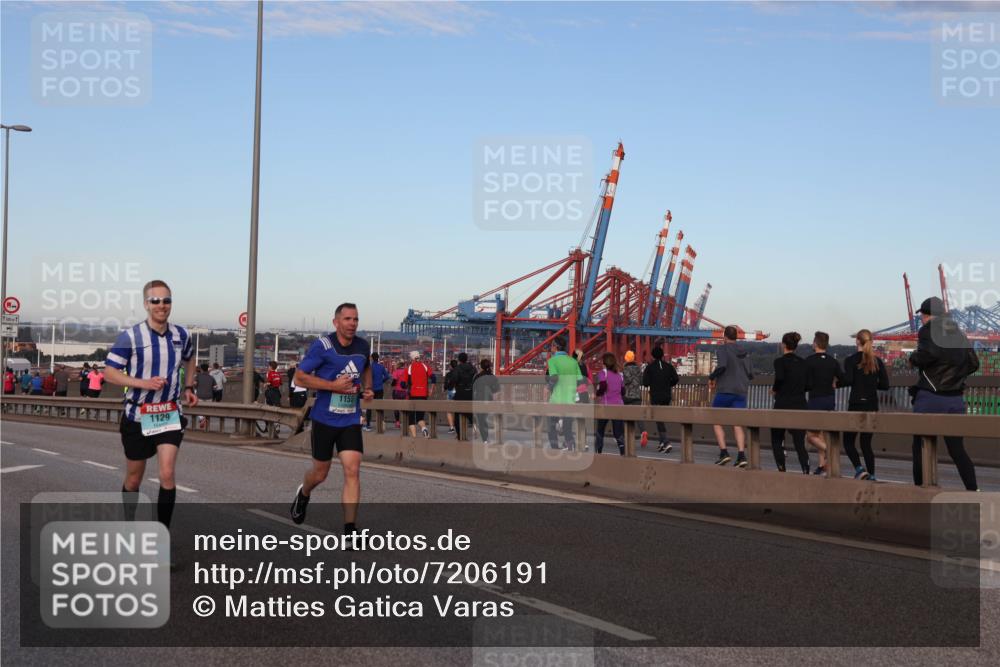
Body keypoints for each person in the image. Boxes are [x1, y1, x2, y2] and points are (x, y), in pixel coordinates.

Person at [103, 279, 198, 535]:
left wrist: (189, 387)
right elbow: (110, 373)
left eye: (166, 300)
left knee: (167, 474)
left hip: (168, 412)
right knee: (134, 478)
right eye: (155, 301)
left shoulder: (181, 335)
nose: (161, 305)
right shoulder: (131, 336)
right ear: (146, 304)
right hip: (137, 414)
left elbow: (190, 358)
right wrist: (142, 382)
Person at [289, 303, 374, 543]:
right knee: (320, 473)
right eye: (347, 319)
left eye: (355, 319)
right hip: (325, 419)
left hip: (350, 419)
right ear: (336, 322)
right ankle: (304, 493)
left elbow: (365, 367)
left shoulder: (362, 346)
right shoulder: (322, 346)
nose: (352, 323)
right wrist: (332, 386)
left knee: (352, 469)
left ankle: (349, 530)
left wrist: (368, 388)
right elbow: (300, 377)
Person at [908, 297, 979, 491]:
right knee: (957, 450)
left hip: (931, 396)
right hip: (956, 400)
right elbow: (974, 363)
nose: (921, 319)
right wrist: (957, 377)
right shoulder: (958, 332)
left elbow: (928, 355)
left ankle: (920, 494)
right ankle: (974, 491)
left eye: (922, 315)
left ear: (927, 315)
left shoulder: (927, 330)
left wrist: (913, 358)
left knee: (920, 447)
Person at [841, 329, 890, 481]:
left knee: (848, 441)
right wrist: (871, 384)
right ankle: (872, 475)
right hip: (871, 404)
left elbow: (848, 380)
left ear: (857, 341)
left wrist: (836, 383)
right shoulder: (877, 361)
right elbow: (885, 385)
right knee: (866, 444)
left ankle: (859, 469)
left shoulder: (850, 360)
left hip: (855, 404)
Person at [708, 325, 753, 467]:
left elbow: (722, 366)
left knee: (716, 420)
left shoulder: (723, 349)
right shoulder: (744, 351)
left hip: (725, 390)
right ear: (737, 336)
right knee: (738, 424)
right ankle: (741, 455)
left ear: (724, 336)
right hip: (741, 391)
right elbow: (751, 373)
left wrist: (712, 377)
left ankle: (724, 453)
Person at [770, 332, 811, 474]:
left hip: (782, 403)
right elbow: (808, 385)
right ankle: (806, 469)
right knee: (799, 442)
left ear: (783, 345)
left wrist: (775, 389)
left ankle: (782, 469)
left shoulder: (779, 362)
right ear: (796, 346)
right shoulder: (804, 363)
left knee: (777, 438)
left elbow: (780, 378)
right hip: (800, 404)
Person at [803, 331, 840, 473]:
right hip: (830, 399)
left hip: (815, 399)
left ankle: (829, 451)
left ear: (815, 344)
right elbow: (842, 377)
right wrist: (835, 382)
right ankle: (822, 465)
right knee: (822, 435)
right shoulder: (833, 361)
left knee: (811, 436)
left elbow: (805, 382)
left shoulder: (809, 361)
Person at [642, 346, 679, 453]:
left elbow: (645, 383)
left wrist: (653, 382)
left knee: (658, 418)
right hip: (667, 395)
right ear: (662, 355)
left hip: (655, 395)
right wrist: (668, 384)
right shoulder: (669, 366)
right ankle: (662, 442)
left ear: (652, 356)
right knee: (660, 418)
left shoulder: (649, 367)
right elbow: (676, 378)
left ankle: (666, 442)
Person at [546, 337, 581, 450]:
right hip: (571, 400)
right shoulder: (573, 361)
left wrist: (547, 388)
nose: (551, 348)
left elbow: (554, 377)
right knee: (567, 429)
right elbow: (580, 380)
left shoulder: (552, 361)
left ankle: (555, 450)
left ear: (555, 347)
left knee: (551, 428)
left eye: (551, 346)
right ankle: (571, 448)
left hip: (556, 400)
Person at [594, 352, 626, 455]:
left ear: (604, 362)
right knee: (618, 432)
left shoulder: (603, 373)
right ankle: (623, 452)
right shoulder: (620, 375)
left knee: (600, 430)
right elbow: (623, 391)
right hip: (619, 406)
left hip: (606, 405)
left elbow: (602, 386)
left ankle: (598, 452)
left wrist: (598, 393)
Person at [405, 350, 433, 438]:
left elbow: (403, 383)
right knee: (420, 417)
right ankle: (424, 428)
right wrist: (431, 389)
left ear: (412, 358)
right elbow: (434, 378)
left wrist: (405, 387)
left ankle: (414, 437)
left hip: (413, 395)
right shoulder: (425, 366)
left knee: (411, 418)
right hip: (423, 395)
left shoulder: (409, 367)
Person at [621, 350, 646, 446]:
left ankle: (624, 435)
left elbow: (625, 382)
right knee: (637, 415)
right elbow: (642, 381)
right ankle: (643, 431)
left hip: (627, 396)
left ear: (626, 359)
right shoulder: (638, 369)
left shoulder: (625, 369)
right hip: (637, 396)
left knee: (625, 415)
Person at [473, 358, 500, 444]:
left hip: (478, 400)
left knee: (481, 419)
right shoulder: (493, 378)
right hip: (489, 400)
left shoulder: (477, 377)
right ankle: (488, 437)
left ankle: (484, 437)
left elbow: (473, 390)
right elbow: (496, 393)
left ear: (481, 367)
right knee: (484, 419)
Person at [452, 352, 477, 439]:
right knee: (470, 414)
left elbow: (454, 379)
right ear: (466, 359)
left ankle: (460, 435)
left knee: (457, 416)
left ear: (459, 359)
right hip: (470, 393)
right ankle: (476, 427)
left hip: (460, 393)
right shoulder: (473, 368)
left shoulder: (457, 369)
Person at [363, 352, 390, 432]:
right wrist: (381, 381)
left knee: (369, 408)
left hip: (371, 389)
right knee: (380, 407)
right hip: (380, 389)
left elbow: (365, 377)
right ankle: (381, 423)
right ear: (378, 358)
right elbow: (387, 377)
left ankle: (368, 425)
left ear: (371, 358)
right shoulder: (381, 367)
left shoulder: (370, 367)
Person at [194, 363, 215, 428]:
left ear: (201, 369)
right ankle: (206, 423)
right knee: (208, 410)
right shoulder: (211, 377)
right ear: (207, 369)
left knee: (199, 409)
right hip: (209, 396)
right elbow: (215, 387)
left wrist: (196, 387)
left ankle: (201, 419)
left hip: (200, 395)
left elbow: (194, 384)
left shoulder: (198, 376)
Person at [443, 358, 458, 434]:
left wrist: (445, 388)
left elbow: (446, 384)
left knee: (449, 411)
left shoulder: (449, 374)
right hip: (458, 392)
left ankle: (452, 427)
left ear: (451, 366)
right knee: (459, 410)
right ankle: (459, 427)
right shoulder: (459, 373)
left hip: (450, 392)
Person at [391, 360, 407, 428]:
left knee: (396, 407)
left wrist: (392, 384)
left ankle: (397, 422)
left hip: (397, 391)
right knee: (405, 407)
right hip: (405, 392)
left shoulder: (396, 371)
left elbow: (394, 381)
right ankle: (406, 422)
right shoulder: (406, 371)